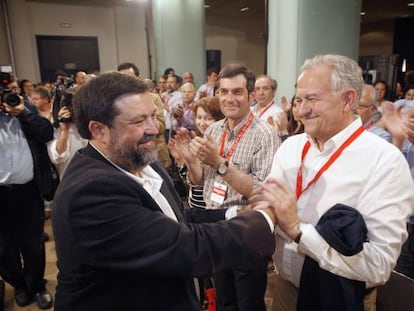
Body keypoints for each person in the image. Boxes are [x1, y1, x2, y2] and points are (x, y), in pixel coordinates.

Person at [51, 71, 278, 311]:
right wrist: (264, 219)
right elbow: (187, 248)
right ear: (98, 130)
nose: (153, 129)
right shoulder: (90, 193)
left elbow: (177, 215)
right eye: (139, 121)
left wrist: (234, 214)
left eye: (153, 116)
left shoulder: (142, 159)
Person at [249, 54, 414, 311]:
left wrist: (298, 230)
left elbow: (378, 266)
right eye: (300, 99)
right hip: (284, 290)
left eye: (313, 99)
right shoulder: (291, 147)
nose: (302, 110)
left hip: (340, 299)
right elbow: (267, 205)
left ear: (348, 100)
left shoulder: (384, 161)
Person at [179, 64, 280, 311]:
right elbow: (202, 181)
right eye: (223, 92)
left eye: (237, 92)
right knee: (224, 300)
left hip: (246, 230)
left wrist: (220, 163)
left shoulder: (265, 135)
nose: (229, 98)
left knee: (248, 303)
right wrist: (191, 163)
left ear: (251, 95)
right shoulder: (214, 129)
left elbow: (260, 192)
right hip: (216, 226)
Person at [0, 82, 54, 309]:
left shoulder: (26, 111)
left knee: (32, 243)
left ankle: (36, 286)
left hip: (28, 191)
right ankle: (18, 284)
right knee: (4, 247)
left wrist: (22, 112)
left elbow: (46, 132)